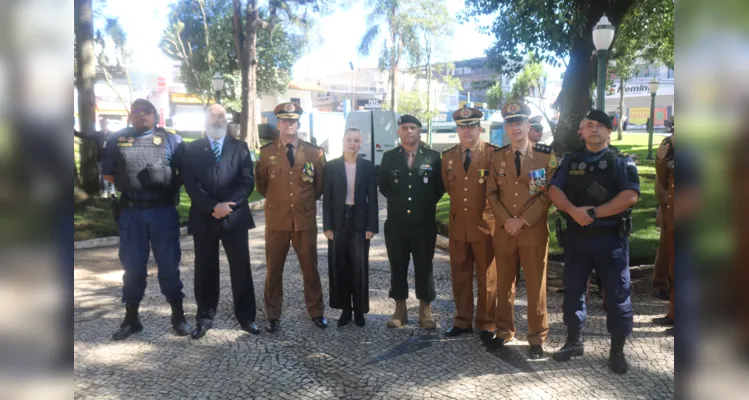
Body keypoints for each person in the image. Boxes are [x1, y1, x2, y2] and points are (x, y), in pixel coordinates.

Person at [548, 110, 640, 374]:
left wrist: (594, 213)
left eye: (601, 125)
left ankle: (617, 351)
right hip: (578, 239)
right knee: (573, 292)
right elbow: (554, 190)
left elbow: (630, 195)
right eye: (589, 125)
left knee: (617, 296)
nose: (595, 129)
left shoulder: (620, 161)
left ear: (609, 131)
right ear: (582, 131)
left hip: (610, 239)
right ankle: (574, 341)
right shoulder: (570, 161)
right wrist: (574, 211)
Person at [101, 99, 190, 341]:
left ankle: (178, 316)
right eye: (137, 112)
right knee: (132, 268)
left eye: (147, 112)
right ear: (131, 115)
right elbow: (109, 173)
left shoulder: (171, 139)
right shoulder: (117, 140)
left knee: (169, 266)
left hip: (162, 212)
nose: (142, 116)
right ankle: (132, 319)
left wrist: (167, 185)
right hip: (132, 214)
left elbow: (185, 171)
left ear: (155, 116)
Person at [181, 104, 259, 339]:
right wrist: (212, 207)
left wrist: (227, 207)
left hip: (234, 219)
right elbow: (190, 183)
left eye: (222, 116)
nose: (218, 119)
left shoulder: (240, 147)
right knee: (205, 269)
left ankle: (247, 317)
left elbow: (247, 182)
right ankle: (204, 317)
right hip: (205, 218)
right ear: (204, 120)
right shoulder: (192, 149)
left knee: (241, 269)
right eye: (213, 116)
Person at [486, 102, 557, 359]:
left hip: (533, 230)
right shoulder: (497, 156)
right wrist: (507, 221)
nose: (515, 128)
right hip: (505, 231)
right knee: (504, 282)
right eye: (510, 123)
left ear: (529, 126)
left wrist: (522, 221)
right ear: (505, 128)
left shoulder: (543, 156)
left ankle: (537, 337)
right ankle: (504, 330)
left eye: (519, 123)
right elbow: (492, 193)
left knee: (536, 283)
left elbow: (546, 195)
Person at [256, 102, 328, 332]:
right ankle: (272, 314)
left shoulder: (314, 152)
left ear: (298, 123)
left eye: (293, 120)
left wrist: (302, 203)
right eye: (285, 120)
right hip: (277, 221)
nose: (289, 124)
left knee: (310, 268)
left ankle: (316, 311)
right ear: (278, 124)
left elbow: (320, 186)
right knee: (273, 269)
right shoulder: (267, 153)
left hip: (304, 220)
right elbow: (261, 185)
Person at [379, 115, 445, 329]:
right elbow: (384, 187)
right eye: (405, 128)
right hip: (396, 224)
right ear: (399, 131)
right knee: (397, 266)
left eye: (413, 128)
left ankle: (425, 310)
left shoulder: (434, 158)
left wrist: (422, 204)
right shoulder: (389, 158)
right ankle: (400, 309)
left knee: (424, 267)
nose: (409, 131)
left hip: (423, 224)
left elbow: (438, 188)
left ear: (420, 131)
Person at [440, 107, 499, 342]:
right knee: (460, 276)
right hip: (458, 226)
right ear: (457, 130)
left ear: (479, 129)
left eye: (471, 126)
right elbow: (449, 187)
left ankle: (487, 322)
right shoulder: (448, 157)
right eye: (462, 127)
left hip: (485, 226)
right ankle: (462, 320)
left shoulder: (493, 154)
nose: (466, 131)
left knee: (487, 277)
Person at [322, 127, 378, 327]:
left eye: (356, 140)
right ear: (343, 141)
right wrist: (327, 225)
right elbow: (326, 198)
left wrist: (372, 225)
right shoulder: (331, 166)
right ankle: (345, 309)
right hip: (338, 222)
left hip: (360, 222)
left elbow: (372, 198)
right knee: (340, 266)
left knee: (359, 267)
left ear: (360, 143)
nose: (352, 144)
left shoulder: (368, 166)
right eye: (349, 140)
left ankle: (359, 310)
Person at [652, 120, 676, 332]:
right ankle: (673, 313)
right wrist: (661, 160)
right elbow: (662, 178)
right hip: (673, 211)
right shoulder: (669, 144)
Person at [75, 117, 115, 196]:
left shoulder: (112, 134)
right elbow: (85, 135)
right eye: (102, 124)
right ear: (100, 125)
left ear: (107, 124)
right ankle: (104, 191)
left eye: (105, 123)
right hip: (100, 157)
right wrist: (74, 131)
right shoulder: (97, 134)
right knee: (102, 175)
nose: (103, 125)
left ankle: (112, 192)